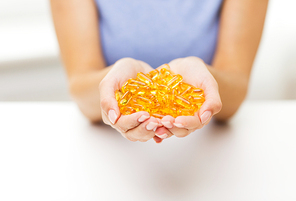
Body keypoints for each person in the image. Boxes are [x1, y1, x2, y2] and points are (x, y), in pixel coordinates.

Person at [50, 0, 268, 143]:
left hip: (210, 150)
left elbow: (235, 91)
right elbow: (81, 88)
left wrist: (208, 80)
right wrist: (110, 84)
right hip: (107, 153)